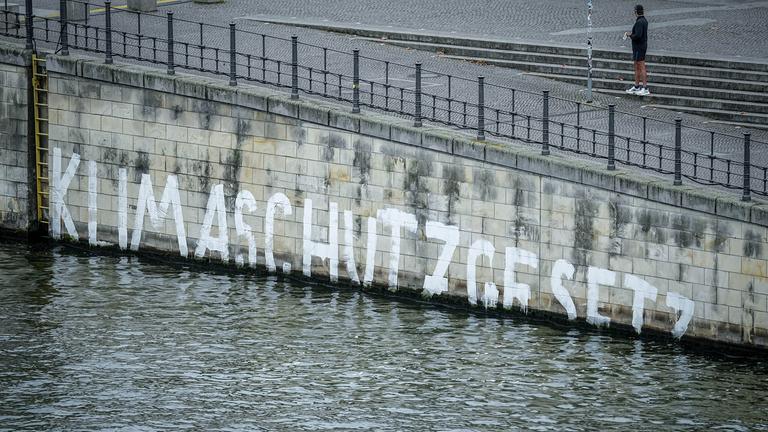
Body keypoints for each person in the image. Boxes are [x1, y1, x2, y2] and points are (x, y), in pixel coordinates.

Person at [624, 5, 649, 96]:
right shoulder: (644, 21)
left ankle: (645, 87)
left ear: (636, 12)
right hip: (641, 46)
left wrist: (630, 35)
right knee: (637, 66)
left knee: (641, 66)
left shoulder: (639, 22)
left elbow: (637, 35)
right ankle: (637, 86)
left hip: (639, 47)